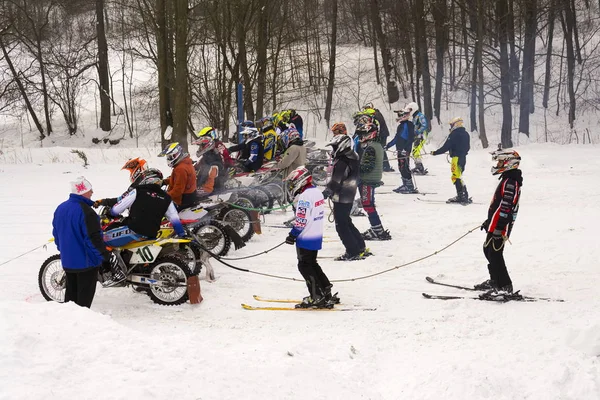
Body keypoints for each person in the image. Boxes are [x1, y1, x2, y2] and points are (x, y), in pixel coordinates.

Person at [52, 176, 110, 308]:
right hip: (86, 264)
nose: (92, 193)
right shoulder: (87, 212)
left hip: (68, 262)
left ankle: (69, 323)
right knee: (83, 304)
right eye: (90, 190)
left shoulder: (60, 208)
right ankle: (80, 325)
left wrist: (64, 251)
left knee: (70, 299)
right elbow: (93, 239)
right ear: (82, 191)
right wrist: (104, 257)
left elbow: (56, 235)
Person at [283, 166, 337, 308]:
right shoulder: (316, 192)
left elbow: (301, 220)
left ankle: (316, 296)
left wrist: (292, 235)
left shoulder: (304, 197)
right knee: (312, 263)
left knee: (304, 265)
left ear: (300, 181)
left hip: (306, 236)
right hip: (316, 233)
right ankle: (325, 289)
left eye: (293, 182)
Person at [477, 149, 523, 301]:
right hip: (495, 223)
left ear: (508, 163)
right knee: (488, 250)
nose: (497, 164)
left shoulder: (511, 182)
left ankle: (505, 286)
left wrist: (499, 227)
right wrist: (489, 221)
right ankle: (495, 281)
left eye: (500, 162)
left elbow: (506, 207)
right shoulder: (507, 178)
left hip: (500, 226)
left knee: (495, 254)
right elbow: (498, 205)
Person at [96, 168, 185, 247]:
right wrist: (181, 234)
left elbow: (119, 207)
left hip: (134, 230)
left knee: (102, 239)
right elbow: (174, 218)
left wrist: (111, 213)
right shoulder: (167, 198)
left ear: (148, 179)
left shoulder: (138, 191)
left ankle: (106, 264)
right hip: (151, 235)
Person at [322, 134, 369, 261]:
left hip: (342, 196)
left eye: (335, 147)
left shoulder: (343, 161)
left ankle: (352, 251)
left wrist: (326, 192)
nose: (333, 150)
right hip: (349, 194)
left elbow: (336, 181)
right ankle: (360, 246)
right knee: (347, 222)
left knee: (341, 225)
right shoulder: (352, 156)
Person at [357, 123, 392, 241]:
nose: (362, 136)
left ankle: (378, 231)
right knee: (369, 204)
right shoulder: (377, 145)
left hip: (368, 179)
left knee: (368, 205)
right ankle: (377, 229)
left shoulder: (371, 148)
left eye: (363, 134)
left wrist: (355, 167)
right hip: (373, 178)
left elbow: (368, 166)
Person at [430, 117, 471, 204]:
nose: (451, 126)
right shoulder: (466, 134)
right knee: (459, 176)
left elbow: (446, 147)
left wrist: (435, 153)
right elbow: (468, 147)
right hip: (463, 158)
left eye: (451, 124)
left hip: (456, 158)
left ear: (456, 124)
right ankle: (463, 194)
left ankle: (462, 196)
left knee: (456, 176)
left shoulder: (454, 134)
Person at [159, 142, 198, 209]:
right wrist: (164, 182)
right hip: (190, 196)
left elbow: (178, 190)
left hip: (182, 200)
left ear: (176, 154)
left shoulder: (180, 169)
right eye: (168, 157)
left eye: (170, 157)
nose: (169, 159)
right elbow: (179, 179)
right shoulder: (185, 163)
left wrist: (164, 196)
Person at [386, 109, 417, 193]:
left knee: (405, 167)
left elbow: (411, 138)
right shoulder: (401, 125)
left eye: (400, 115)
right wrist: (388, 145)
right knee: (401, 167)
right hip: (400, 149)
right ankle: (405, 184)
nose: (398, 117)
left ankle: (409, 186)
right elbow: (397, 138)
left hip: (405, 150)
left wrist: (405, 148)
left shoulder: (409, 125)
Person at [362, 102, 393, 172]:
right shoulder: (373, 114)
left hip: (382, 134)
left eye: (366, 108)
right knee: (377, 149)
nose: (365, 110)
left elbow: (378, 124)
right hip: (379, 134)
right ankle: (383, 165)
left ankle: (386, 166)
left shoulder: (376, 114)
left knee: (381, 149)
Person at [404, 102, 430, 175]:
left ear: (413, 108)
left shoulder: (420, 116)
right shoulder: (415, 116)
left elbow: (424, 125)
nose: (409, 111)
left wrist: (417, 132)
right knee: (415, 151)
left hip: (421, 136)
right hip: (417, 136)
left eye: (410, 109)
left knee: (416, 151)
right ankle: (418, 165)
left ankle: (420, 167)